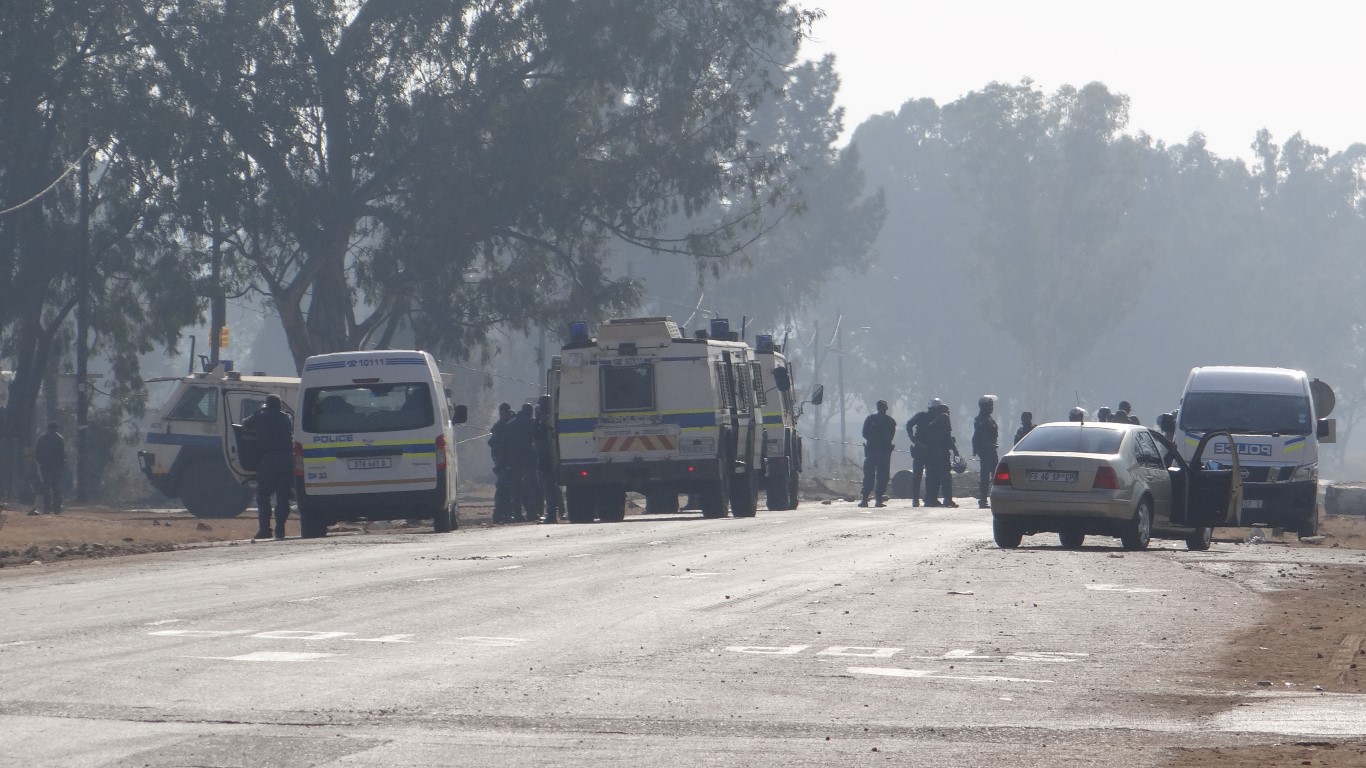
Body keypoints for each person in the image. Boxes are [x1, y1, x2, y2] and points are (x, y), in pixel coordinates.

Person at [242, 396, 294, 539]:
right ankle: (280, 529)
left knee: (263, 495)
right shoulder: (286, 418)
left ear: (267, 405)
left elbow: (245, 424)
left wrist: (259, 411)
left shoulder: (260, 416)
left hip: (269, 460)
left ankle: (265, 529)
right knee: (283, 495)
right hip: (287, 459)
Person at [859, 400, 896, 507]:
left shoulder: (888, 421)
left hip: (881, 451)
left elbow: (890, 436)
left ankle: (876, 499)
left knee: (881, 476)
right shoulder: (873, 419)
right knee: (871, 475)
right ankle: (867, 499)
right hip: (875, 451)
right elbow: (865, 433)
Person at [532, 395, 562, 523]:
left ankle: (551, 514)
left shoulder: (544, 422)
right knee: (554, 488)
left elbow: (536, 435)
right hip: (556, 458)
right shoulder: (555, 418)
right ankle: (560, 512)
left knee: (549, 488)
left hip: (546, 458)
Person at [922, 402, 959, 507]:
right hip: (941, 453)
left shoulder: (934, 422)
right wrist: (955, 450)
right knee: (946, 477)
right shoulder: (944, 417)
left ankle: (930, 499)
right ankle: (947, 499)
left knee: (933, 477)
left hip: (931, 454)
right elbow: (947, 436)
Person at [488, 403, 519, 523]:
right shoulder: (500, 426)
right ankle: (500, 514)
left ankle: (505, 514)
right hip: (502, 462)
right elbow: (494, 443)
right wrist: (502, 461)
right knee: (502, 488)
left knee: (507, 488)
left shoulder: (506, 424)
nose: (503, 415)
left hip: (505, 461)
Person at [511, 402, 542, 521]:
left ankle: (517, 514)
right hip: (529, 461)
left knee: (516, 489)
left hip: (515, 462)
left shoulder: (512, 424)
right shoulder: (532, 424)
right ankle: (532, 513)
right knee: (532, 487)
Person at [905, 399, 939, 507]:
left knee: (930, 475)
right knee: (918, 475)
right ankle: (916, 499)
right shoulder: (922, 416)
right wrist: (913, 439)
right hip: (921, 449)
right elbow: (909, 425)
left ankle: (928, 498)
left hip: (931, 450)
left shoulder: (938, 418)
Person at [34, 422, 66, 515]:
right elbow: (63, 454)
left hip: (46, 466)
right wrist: (62, 464)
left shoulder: (42, 438)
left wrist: (41, 462)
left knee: (47, 486)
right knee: (56, 486)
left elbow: (37, 453)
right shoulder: (59, 438)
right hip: (55, 466)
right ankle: (57, 507)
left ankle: (47, 507)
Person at [971, 396, 998, 509]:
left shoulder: (989, 419)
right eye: (990, 405)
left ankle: (996, 498)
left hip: (992, 451)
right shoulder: (980, 420)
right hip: (986, 452)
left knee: (996, 475)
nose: (992, 407)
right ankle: (983, 499)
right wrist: (980, 449)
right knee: (985, 476)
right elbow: (977, 436)